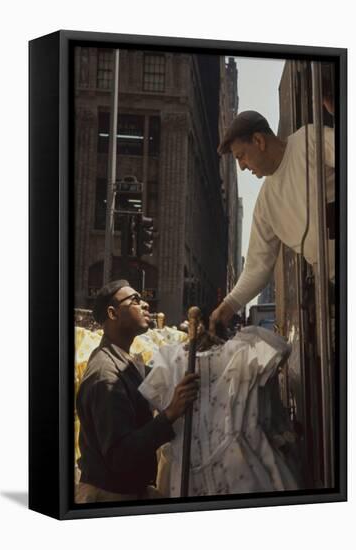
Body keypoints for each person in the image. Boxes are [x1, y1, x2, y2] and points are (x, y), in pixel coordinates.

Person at [209, 110, 334, 334]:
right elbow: (257, 268)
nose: (242, 166)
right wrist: (227, 307)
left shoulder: (309, 140)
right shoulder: (265, 204)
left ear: (258, 141)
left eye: (241, 156)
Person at [75, 279, 200, 503]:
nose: (145, 305)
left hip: (129, 491)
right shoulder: (106, 376)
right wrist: (170, 413)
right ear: (113, 314)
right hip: (110, 498)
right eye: (135, 300)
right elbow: (121, 455)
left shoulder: (124, 360)